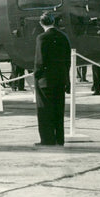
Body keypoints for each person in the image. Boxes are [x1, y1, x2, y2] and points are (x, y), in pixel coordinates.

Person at [32, 12, 71, 146]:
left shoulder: (42, 38)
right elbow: (68, 60)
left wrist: (36, 75)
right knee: (58, 111)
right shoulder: (63, 37)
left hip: (45, 80)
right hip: (60, 79)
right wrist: (67, 79)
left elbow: (40, 60)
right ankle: (60, 139)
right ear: (53, 22)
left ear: (41, 23)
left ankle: (47, 139)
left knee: (45, 111)